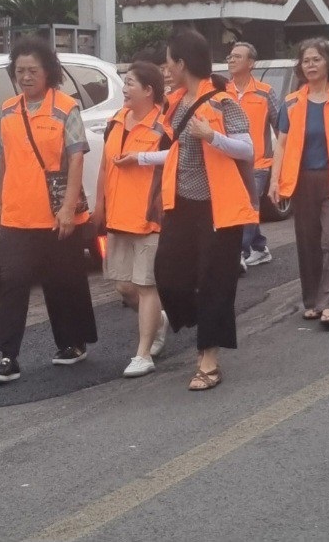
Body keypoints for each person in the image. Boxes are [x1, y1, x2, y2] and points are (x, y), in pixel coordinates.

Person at [0, 37, 97, 384]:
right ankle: (8, 356)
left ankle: (72, 343)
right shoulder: (7, 109)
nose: (26, 77)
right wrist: (1, 202)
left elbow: (77, 157)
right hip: (18, 214)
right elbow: (4, 157)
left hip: (55, 214)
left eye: (33, 70)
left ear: (49, 72)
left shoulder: (66, 108)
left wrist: (67, 209)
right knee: (13, 281)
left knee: (64, 281)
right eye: (20, 71)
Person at [153, 28, 258, 391]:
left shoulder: (223, 103)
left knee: (215, 283)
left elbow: (248, 149)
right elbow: (171, 151)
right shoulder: (174, 103)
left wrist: (212, 136)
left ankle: (209, 359)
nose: (165, 69)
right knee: (167, 275)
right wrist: (136, 158)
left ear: (182, 64)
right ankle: (203, 324)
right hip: (180, 204)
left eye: (168, 62)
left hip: (219, 207)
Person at [269, 38, 329, 330]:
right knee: (309, 243)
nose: (310, 65)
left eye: (316, 60)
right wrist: (275, 180)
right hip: (302, 182)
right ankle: (312, 301)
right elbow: (282, 146)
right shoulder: (291, 103)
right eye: (305, 61)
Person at [92, 62, 171, 378]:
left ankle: (143, 354)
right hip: (118, 216)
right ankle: (159, 321)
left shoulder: (164, 127)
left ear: (149, 90)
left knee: (146, 284)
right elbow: (103, 167)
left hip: (149, 218)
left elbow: (178, 159)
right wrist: (100, 206)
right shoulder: (115, 122)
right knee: (125, 287)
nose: (124, 89)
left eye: (130, 83)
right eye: (125, 83)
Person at [224, 42, 280, 269]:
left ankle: (239, 252)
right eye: (230, 56)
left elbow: (280, 128)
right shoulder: (221, 92)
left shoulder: (265, 92)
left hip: (258, 163)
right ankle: (259, 247)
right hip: (229, 163)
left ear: (251, 63)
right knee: (243, 206)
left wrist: (283, 161)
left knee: (246, 206)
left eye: (237, 56)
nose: (231, 60)